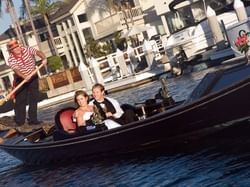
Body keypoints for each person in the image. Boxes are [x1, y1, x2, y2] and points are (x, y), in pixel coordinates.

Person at [7, 39, 47, 126]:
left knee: (34, 97)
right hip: (21, 80)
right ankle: (20, 121)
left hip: (33, 77)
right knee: (21, 100)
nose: (17, 49)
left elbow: (38, 52)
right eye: (14, 48)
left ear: (19, 46)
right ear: (11, 50)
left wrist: (43, 58)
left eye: (17, 46)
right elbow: (16, 70)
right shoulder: (11, 59)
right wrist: (24, 76)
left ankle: (33, 120)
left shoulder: (27, 49)